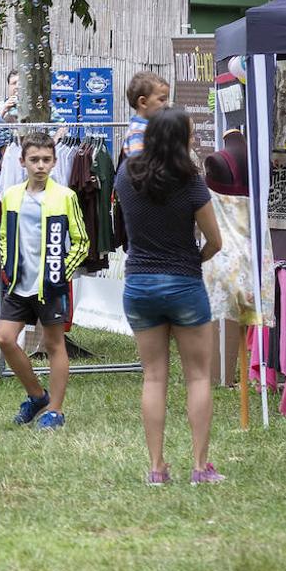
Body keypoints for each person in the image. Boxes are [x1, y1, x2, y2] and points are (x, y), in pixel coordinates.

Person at [115, 108, 224, 484]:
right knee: (197, 377)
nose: (193, 139)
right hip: (183, 283)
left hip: (139, 284)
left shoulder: (125, 175)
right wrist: (194, 259)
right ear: (177, 139)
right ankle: (199, 467)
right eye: (190, 134)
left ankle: (157, 468)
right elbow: (215, 240)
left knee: (153, 377)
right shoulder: (190, 180)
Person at [0, 130, 89, 431]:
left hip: (51, 283)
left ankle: (55, 410)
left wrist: (62, 270)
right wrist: (7, 264)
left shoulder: (65, 197)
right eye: (34, 159)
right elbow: (4, 235)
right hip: (19, 283)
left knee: (53, 343)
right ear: (22, 161)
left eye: (46, 160)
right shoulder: (10, 196)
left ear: (54, 161)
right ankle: (37, 395)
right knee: (4, 338)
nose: (40, 165)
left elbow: (81, 241)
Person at [121, 71, 170, 160]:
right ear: (143, 102)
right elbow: (139, 164)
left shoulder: (152, 127)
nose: (166, 104)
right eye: (162, 100)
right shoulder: (138, 131)